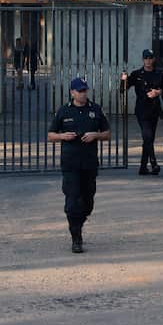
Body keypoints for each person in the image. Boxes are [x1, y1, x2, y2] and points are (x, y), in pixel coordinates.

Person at [47, 76, 110, 253]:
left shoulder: (95, 109)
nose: (83, 94)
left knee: (88, 202)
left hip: (89, 163)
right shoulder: (64, 111)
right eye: (80, 91)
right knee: (72, 201)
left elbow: (107, 133)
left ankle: (78, 223)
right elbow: (50, 135)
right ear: (72, 92)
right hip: (70, 163)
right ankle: (76, 237)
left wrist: (95, 135)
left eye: (85, 90)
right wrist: (62, 136)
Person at [120, 48, 163, 175]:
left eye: (150, 58)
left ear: (153, 59)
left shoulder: (158, 74)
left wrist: (158, 92)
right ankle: (154, 163)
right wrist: (123, 79)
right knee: (147, 136)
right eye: (146, 58)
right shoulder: (137, 74)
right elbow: (123, 89)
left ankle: (143, 167)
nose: (148, 61)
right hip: (142, 110)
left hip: (154, 109)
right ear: (143, 59)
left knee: (149, 139)